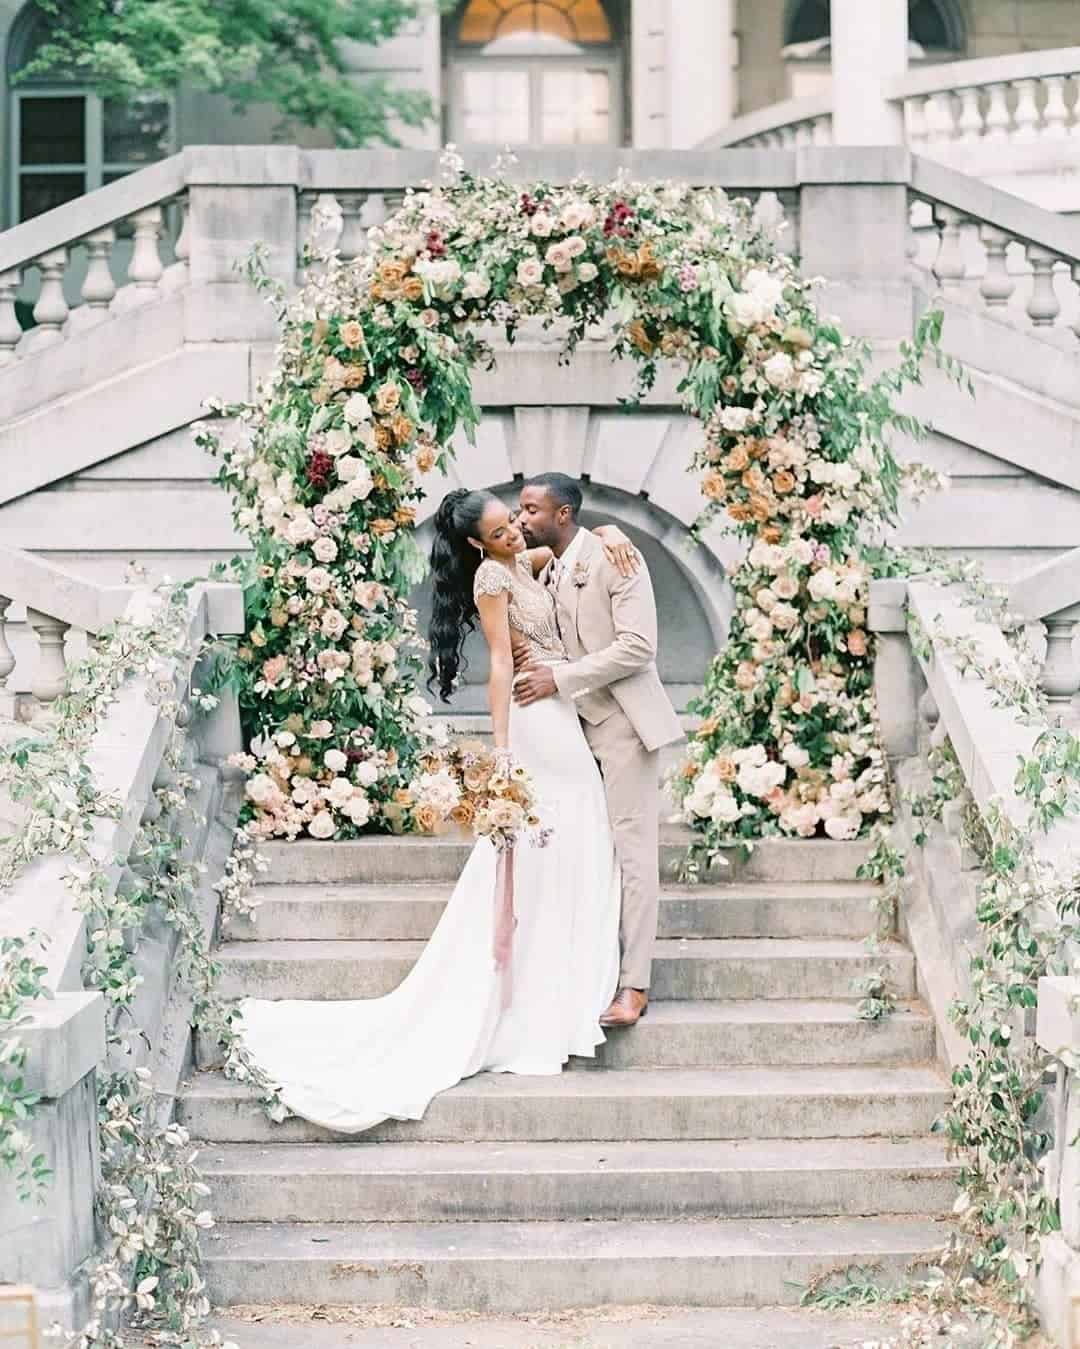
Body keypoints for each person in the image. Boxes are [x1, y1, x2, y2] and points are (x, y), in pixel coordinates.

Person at [235, 486, 645, 1133]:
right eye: (500, 530)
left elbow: (574, 548)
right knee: (560, 836)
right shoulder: (490, 575)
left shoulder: (526, 561)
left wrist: (615, 530)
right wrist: (503, 751)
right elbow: (501, 664)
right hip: (536, 725)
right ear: (477, 543)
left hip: (563, 707)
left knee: (579, 837)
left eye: (513, 521)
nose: (514, 531)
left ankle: (570, 980)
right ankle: (542, 996)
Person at [513, 473, 683, 1028]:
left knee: (634, 856)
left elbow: (638, 647)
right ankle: (585, 971)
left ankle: (634, 985)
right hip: (573, 735)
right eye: (519, 510)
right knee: (587, 851)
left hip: (624, 728)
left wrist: (557, 679)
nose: (522, 519)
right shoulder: (551, 564)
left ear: (563, 515)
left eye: (532, 510)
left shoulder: (617, 558)